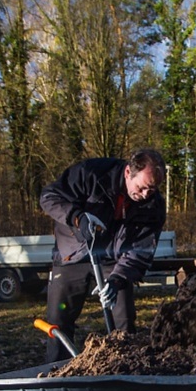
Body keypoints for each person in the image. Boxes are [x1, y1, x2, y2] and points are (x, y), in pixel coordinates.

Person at [39, 149, 167, 363]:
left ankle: (125, 371)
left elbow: (139, 252)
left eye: (152, 189)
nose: (145, 194)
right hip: (72, 254)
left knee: (123, 323)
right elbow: (49, 197)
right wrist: (77, 217)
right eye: (142, 187)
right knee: (59, 320)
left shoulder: (153, 206)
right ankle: (56, 373)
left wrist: (117, 281)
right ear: (128, 172)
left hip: (115, 262)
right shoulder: (92, 174)